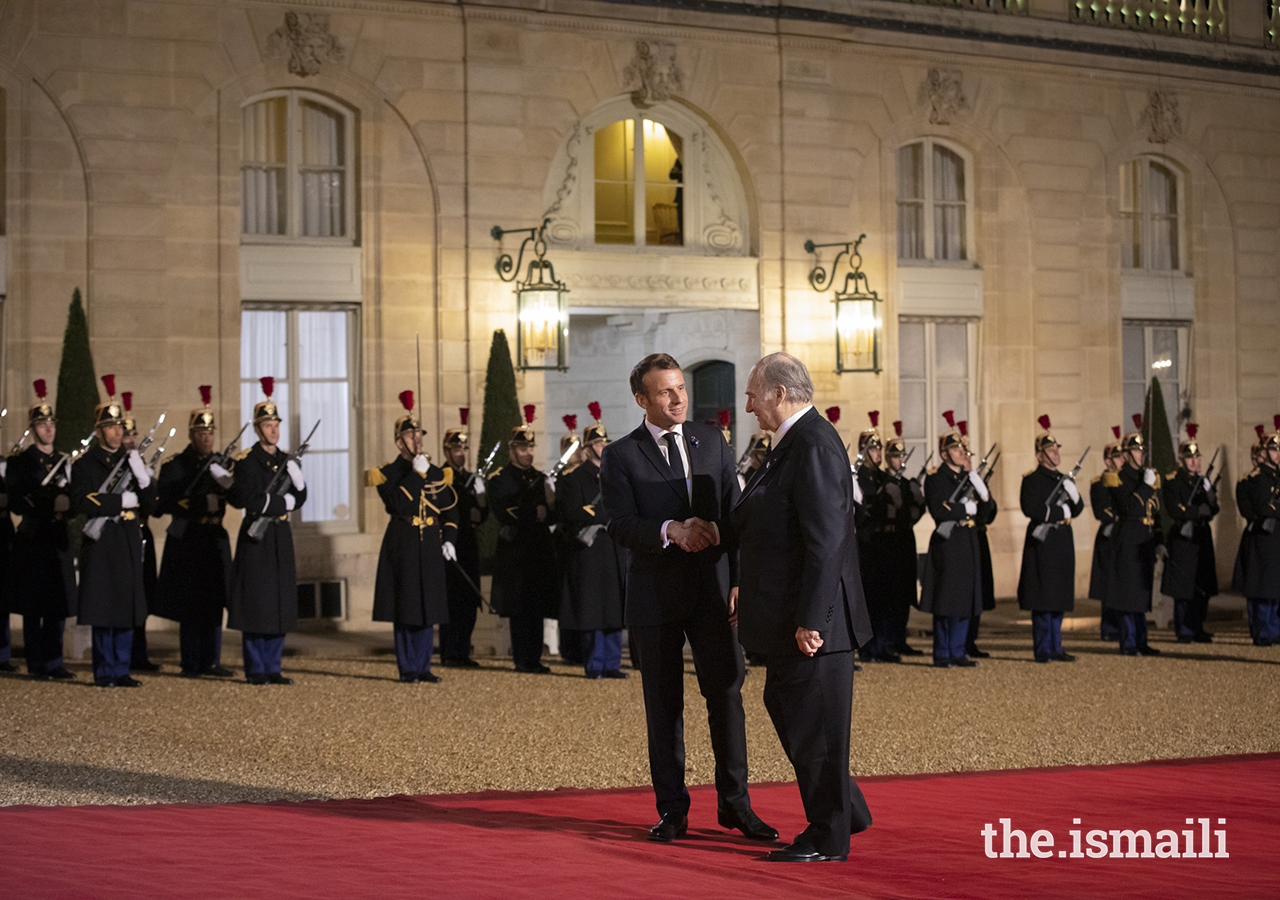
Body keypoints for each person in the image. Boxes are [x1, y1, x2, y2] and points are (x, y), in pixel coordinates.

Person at [600, 353, 776, 845]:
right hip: (655, 598)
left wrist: (738, 580)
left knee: (726, 696)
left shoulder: (713, 441)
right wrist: (668, 530)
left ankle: (736, 806)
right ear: (642, 400)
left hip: (713, 592)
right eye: (665, 392)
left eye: (681, 388)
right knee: (664, 706)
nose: (678, 398)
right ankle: (672, 810)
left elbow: (733, 514)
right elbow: (617, 522)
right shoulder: (621, 455)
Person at [734, 352, 873, 862]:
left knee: (814, 725)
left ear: (778, 393)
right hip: (792, 616)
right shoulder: (793, 442)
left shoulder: (811, 443)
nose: (748, 405)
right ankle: (846, 807)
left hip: (817, 622)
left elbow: (826, 539)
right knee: (794, 710)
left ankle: (828, 835)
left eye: (752, 394)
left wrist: (812, 620)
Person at [71, 375, 158, 687]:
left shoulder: (130, 460)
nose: (117, 431)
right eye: (111, 426)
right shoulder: (86, 464)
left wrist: (141, 473)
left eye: (120, 426)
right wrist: (120, 500)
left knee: (125, 604)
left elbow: (152, 502)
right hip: (102, 542)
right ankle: (104, 670)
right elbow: (83, 500)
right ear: (99, 431)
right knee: (103, 606)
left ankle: (121, 668)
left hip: (127, 540)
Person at [367, 391, 458, 683]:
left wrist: (449, 540)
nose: (417, 440)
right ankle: (408, 667)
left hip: (430, 538)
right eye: (411, 436)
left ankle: (424, 664)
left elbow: (450, 510)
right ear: (399, 442)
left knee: (427, 604)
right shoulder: (388, 472)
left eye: (419, 435)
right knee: (405, 605)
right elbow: (397, 503)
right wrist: (416, 476)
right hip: (404, 539)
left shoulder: (435, 471)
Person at [227, 377, 307, 685]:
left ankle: (273, 665)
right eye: (268, 425)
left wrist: (297, 484)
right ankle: (256, 667)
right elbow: (241, 497)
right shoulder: (247, 462)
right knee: (256, 603)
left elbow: (299, 497)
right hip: (257, 537)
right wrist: (278, 502)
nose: (274, 429)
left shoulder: (286, 460)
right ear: (258, 429)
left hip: (279, 537)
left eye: (276, 424)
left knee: (278, 602)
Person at [155, 386, 236, 678]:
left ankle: (211, 660)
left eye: (210, 433)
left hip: (214, 537)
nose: (207, 438)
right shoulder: (176, 466)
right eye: (201, 433)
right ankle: (190, 661)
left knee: (214, 602)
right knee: (190, 603)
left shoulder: (222, 465)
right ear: (192, 435)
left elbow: (235, 494)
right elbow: (164, 500)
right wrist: (202, 502)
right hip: (189, 538)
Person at [9, 380, 78, 680]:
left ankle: (54, 661)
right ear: (32, 427)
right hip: (34, 539)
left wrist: (68, 505)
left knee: (57, 605)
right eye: (42, 423)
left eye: (51, 423)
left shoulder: (63, 461)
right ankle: (37, 662)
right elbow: (17, 501)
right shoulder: (22, 462)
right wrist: (48, 502)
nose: (48, 428)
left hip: (58, 538)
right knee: (33, 605)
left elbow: (76, 498)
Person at [488, 406, 559, 674]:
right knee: (520, 607)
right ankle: (522, 658)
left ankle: (534, 656)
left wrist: (551, 503)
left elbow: (553, 515)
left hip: (539, 550)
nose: (528, 452)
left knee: (537, 604)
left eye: (530, 448)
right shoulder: (501, 478)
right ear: (512, 450)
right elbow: (503, 511)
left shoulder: (540, 478)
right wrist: (534, 512)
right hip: (517, 551)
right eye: (522, 448)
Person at [919, 413, 993, 668]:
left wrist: (980, 487)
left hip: (968, 541)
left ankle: (958, 650)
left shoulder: (967, 477)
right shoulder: (935, 478)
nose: (962, 453)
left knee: (965, 600)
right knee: (946, 600)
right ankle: (942, 652)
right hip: (948, 544)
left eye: (963, 449)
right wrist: (965, 509)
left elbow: (988, 513)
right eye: (955, 449)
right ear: (944, 453)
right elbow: (940, 511)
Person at [558, 409, 627, 679]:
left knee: (613, 606)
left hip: (612, 546)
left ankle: (612, 662)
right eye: (597, 443)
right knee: (592, 607)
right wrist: (599, 514)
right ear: (587, 449)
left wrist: (597, 512)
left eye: (605, 442)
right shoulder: (574, 477)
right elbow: (572, 511)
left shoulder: (616, 475)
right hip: (589, 549)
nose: (603, 447)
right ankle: (595, 662)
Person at [1017, 416, 1084, 663]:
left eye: (1056, 449)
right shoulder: (1032, 480)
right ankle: (1043, 648)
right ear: (1039, 455)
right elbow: (1032, 509)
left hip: (1062, 541)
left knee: (1059, 599)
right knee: (1043, 598)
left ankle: (1057, 646)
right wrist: (1060, 512)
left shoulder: (1063, 480)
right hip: (1043, 544)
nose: (1055, 453)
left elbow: (1078, 509)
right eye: (1050, 450)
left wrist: (1074, 496)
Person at [862, 422, 926, 662]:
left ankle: (889, 643)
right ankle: (872, 647)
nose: (878, 455)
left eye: (880, 451)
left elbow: (910, 514)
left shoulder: (886, 478)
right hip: (873, 542)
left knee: (895, 595)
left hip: (895, 541)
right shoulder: (864, 479)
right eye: (874, 450)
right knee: (875, 598)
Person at [1102, 418, 1161, 656]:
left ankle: (1141, 640)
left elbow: (1155, 510)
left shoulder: (1144, 476)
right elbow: (1129, 507)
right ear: (1126, 454)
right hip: (1128, 537)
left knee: (1142, 593)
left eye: (1142, 450)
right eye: (1136, 450)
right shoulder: (1117, 477)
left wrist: (1160, 540)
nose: (1140, 454)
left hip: (1144, 539)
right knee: (1128, 594)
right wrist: (1146, 487)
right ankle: (1128, 642)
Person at [438, 409, 487, 668]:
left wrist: (481, 496)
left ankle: (463, 650)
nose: (461, 453)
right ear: (447, 451)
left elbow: (482, 514)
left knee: (469, 601)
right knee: (451, 601)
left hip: (468, 542)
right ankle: (449, 652)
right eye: (456, 449)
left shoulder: (470, 478)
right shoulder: (440, 477)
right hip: (450, 543)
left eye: (464, 449)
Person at [1161, 424, 1219, 644]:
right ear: (1182, 460)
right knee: (1184, 587)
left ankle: (1197, 626)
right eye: (1190, 458)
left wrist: (1210, 497)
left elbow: (1214, 509)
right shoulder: (1173, 481)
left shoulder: (1201, 482)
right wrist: (1196, 510)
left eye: (1197, 458)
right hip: (1184, 538)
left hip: (1201, 537)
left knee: (1201, 585)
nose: (1195, 462)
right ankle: (1184, 628)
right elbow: (1174, 508)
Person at [119, 393, 162, 673]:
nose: (131, 439)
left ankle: (139, 653)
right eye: (126, 434)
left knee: (143, 594)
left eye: (133, 434)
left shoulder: (139, 468)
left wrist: (143, 474)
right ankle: (122, 656)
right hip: (120, 536)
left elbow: (153, 506)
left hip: (141, 534)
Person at [1234, 423, 1280, 646]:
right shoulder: (1259, 477)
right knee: (1265, 586)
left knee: (1276, 586)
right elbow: (1262, 508)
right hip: (1265, 538)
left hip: (1276, 537)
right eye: (1273, 450)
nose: (1277, 454)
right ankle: (1264, 630)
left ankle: (1275, 628)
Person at [960, 420, 996, 659]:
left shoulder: (973, 480)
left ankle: (971, 640)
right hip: (961, 539)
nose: (968, 459)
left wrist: (983, 492)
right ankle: (959, 643)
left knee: (978, 590)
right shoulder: (951, 481)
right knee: (962, 592)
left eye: (969, 455)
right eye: (964, 455)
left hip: (978, 537)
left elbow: (989, 513)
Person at [556, 417, 586, 666]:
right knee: (569, 598)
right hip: (568, 541)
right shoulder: (563, 477)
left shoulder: (586, 476)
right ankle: (570, 647)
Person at [1089, 429, 1123, 641]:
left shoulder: (1127, 480)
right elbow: (1101, 510)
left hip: (1125, 535)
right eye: (1117, 457)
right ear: (1107, 460)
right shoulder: (1098, 483)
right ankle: (1110, 627)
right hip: (1110, 536)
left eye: (1122, 456)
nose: (1121, 460)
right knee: (1109, 583)